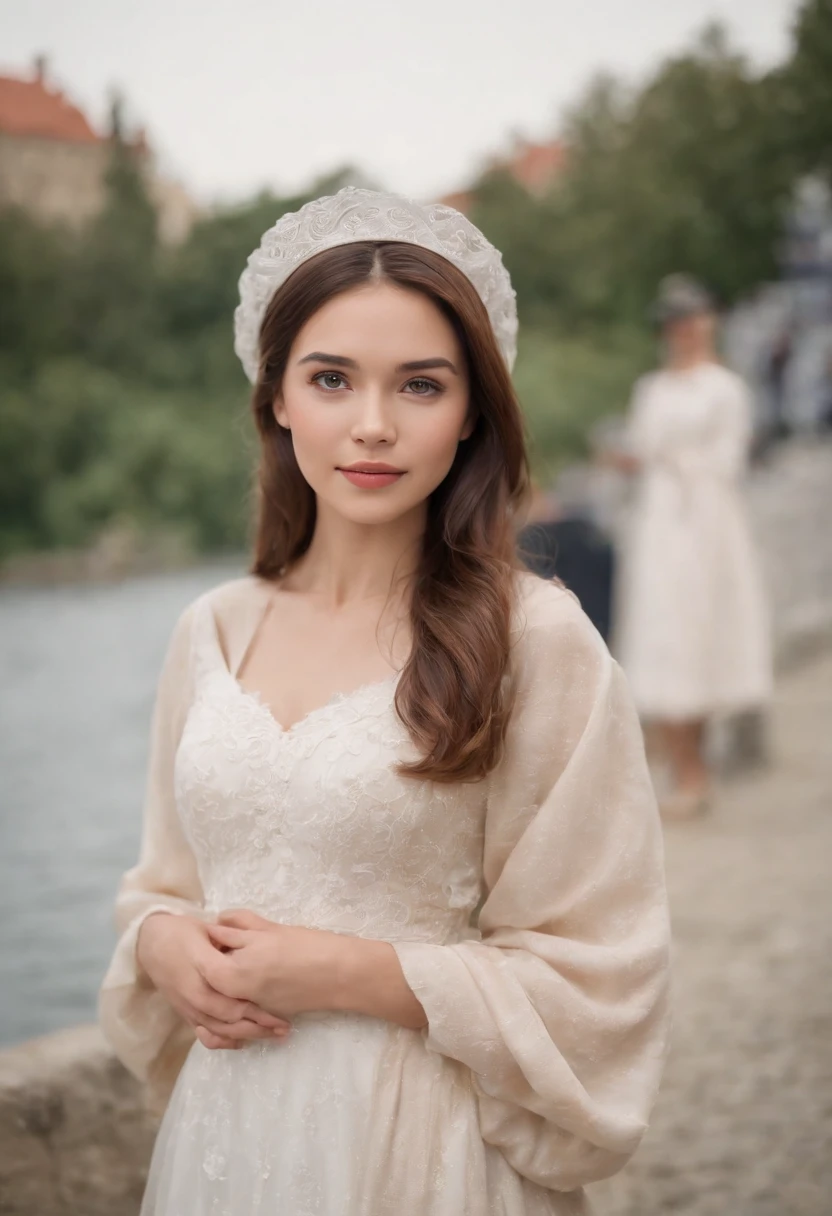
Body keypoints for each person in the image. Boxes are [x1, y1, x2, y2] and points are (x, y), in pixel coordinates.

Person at [99, 188, 670, 1216]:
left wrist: (342, 972)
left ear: (470, 413)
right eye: (330, 379)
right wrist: (158, 942)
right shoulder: (213, 630)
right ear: (276, 396)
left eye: (419, 384)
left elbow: (600, 969)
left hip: (423, 1146)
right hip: (228, 1141)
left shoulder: (536, 638)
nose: (371, 425)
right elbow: (161, 881)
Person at [610, 274, 772, 818]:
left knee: (699, 633)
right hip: (658, 522)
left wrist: (672, 459)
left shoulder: (724, 388)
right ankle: (684, 767)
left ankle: (694, 767)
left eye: (691, 317)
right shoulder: (651, 388)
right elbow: (639, 448)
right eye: (675, 320)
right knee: (660, 634)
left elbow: (728, 461)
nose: (683, 329)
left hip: (705, 521)